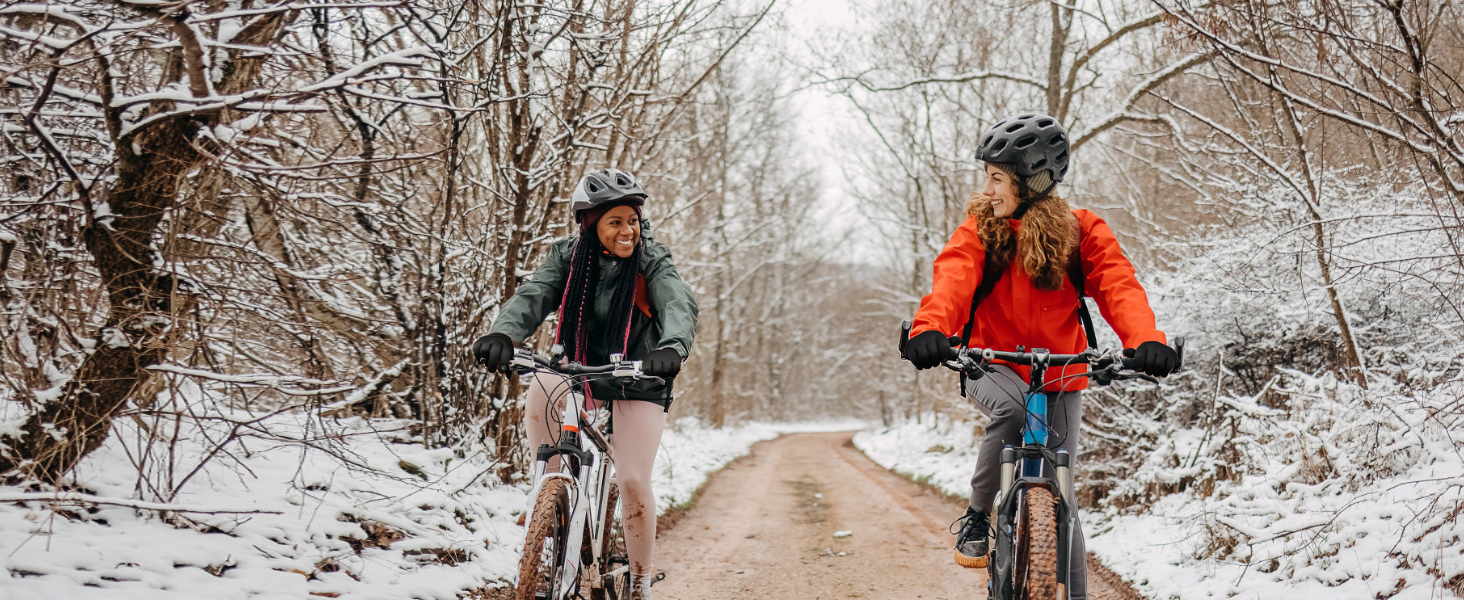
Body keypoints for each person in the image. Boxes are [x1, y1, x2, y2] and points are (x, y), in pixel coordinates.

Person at [901, 113, 1177, 600]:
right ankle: (978, 515)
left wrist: (1145, 339)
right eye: (986, 176)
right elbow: (952, 283)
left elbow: (1118, 284)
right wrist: (929, 330)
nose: (987, 189)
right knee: (1010, 411)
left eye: (998, 178)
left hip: (1062, 373)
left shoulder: (1082, 232)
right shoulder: (980, 232)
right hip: (993, 363)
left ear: (1034, 181)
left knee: (1060, 492)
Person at [473, 168, 698, 600]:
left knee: (632, 479)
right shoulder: (568, 256)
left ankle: (640, 582)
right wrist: (504, 333)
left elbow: (676, 298)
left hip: (640, 373)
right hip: (576, 365)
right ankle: (550, 495)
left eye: (631, 219)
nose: (628, 230)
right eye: (616, 222)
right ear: (591, 225)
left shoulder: (651, 256)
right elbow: (534, 294)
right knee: (541, 387)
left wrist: (671, 346)